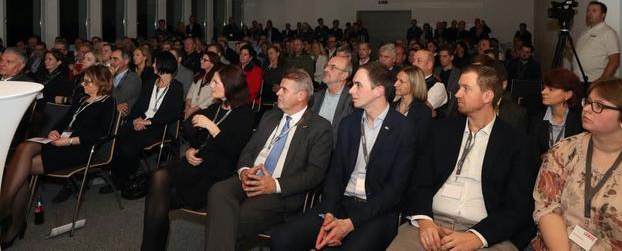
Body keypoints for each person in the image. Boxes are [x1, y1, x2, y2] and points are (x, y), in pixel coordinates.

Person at [389, 64, 536, 251]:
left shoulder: (517, 143)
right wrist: (424, 220)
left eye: (466, 89)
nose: (457, 94)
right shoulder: (441, 131)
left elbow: (518, 206)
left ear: (487, 96)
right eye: (459, 87)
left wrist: (477, 237)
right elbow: (418, 181)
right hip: (430, 225)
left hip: (487, 233)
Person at [270, 63, 416, 250]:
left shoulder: (404, 129)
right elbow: (335, 173)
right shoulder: (349, 124)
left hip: (376, 212)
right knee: (282, 239)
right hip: (340, 204)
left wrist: (350, 223)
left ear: (379, 91)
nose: (351, 90)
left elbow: (394, 191)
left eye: (358, 85)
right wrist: (329, 213)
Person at [205, 69, 333, 250]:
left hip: (281, 191)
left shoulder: (319, 127)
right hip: (251, 177)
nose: (278, 92)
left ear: (301, 96)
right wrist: (244, 171)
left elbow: (315, 173)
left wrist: (275, 185)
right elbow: (249, 149)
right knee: (219, 191)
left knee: (232, 218)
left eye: (284, 89)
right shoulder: (270, 116)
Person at [141, 65, 254, 250]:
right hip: (198, 162)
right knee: (158, 179)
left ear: (230, 85)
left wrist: (212, 128)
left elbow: (235, 151)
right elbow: (191, 128)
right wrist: (191, 149)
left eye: (215, 82)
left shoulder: (245, 114)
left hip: (218, 173)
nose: (211, 86)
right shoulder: (215, 108)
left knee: (159, 196)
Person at [0, 65, 115, 246]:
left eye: (87, 82)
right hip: (58, 142)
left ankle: (9, 217)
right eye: (83, 80)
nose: (83, 84)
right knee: (24, 148)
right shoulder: (82, 98)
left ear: (100, 83)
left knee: (21, 169)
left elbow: (101, 133)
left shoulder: (108, 102)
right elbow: (64, 121)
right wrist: (55, 131)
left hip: (78, 149)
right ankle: (6, 211)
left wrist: (68, 141)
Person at [531, 78, 622, 250]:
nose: (587, 109)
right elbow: (547, 209)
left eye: (598, 106)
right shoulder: (563, 151)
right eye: (588, 102)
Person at [104, 51, 184, 192]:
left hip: (158, 126)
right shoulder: (150, 84)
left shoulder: (176, 87)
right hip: (141, 120)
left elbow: (174, 113)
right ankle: (118, 176)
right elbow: (138, 107)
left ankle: (123, 178)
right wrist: (136, 119)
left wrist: (149, 122)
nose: (152, 65)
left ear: (164, 65)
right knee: (117, 138)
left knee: (128, 147)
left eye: (155, 63)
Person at [530, 68, 583, 161]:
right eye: (544, 88)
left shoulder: (580, 120)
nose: (543, 92)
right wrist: (541, 157)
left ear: (568, 94)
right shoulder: (536, 118)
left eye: (551, 89)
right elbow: (530, 152)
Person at [572, 1, 620, 84]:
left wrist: (600, 82)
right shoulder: (585, 31)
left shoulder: (608, 32)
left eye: (594, 11)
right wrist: (570, 49)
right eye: (588, 10)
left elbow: (614, 61)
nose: (589, 13)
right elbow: (580, 55)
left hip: (594, 81)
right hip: (578, 79)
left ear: (603, 15)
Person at [312, 55, 354, 146]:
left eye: (332, 67)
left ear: (344, 75)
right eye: (326, 66)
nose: (326, 69)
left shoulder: (352, 100)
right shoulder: (316, 97)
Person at [184, 51, 219, 120]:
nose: (201, 61)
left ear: (212, 64)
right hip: (191, 109)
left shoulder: (215, 78)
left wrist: (195, 108)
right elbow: (190, 94)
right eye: (201, 59)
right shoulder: (199, 75)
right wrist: (187, 108)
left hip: (205, 111)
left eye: (205, 60)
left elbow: (212, 99)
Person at [412, 50, 448, 116]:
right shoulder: (410, 81)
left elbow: (420, 110)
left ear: (429, 65)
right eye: (413, 60)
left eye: (419, 61)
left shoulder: (438, 86)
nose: (413, 64)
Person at [110, 48, 142, 119]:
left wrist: (110, 78)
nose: (111, 62)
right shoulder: (108, 75)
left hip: (119, 117)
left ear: (126, 61)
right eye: (110, 58)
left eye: (115, 59)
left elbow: (118, 99)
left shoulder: (133, 78)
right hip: (108, 111)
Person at [435, 44, 461, 118]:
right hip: (436, 109)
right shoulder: (436, 70)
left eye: (444, 56)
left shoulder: (458, 73)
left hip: (452, 112)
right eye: (440, 56)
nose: (441, 59)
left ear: (451, 57)